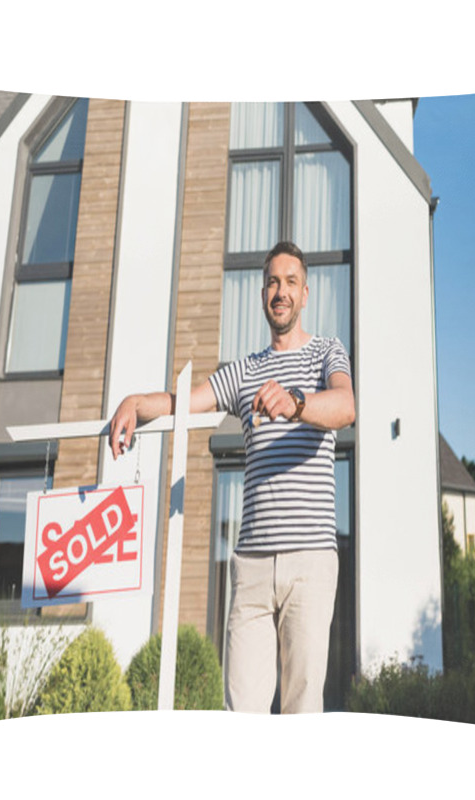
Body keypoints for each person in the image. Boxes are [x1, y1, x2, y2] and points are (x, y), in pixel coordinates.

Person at [108, 241, 355, 713]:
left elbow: (345, 407)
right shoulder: (244, 371)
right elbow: (185, 403)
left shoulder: (327, 352)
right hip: (252, 566)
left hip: (310, 561)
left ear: (306, 294)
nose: (280, 291)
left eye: (290, 282)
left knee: (302, 711)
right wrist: (136, 403)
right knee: (241, 715)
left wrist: (297, 402)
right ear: (263, 293)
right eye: (272, 283)